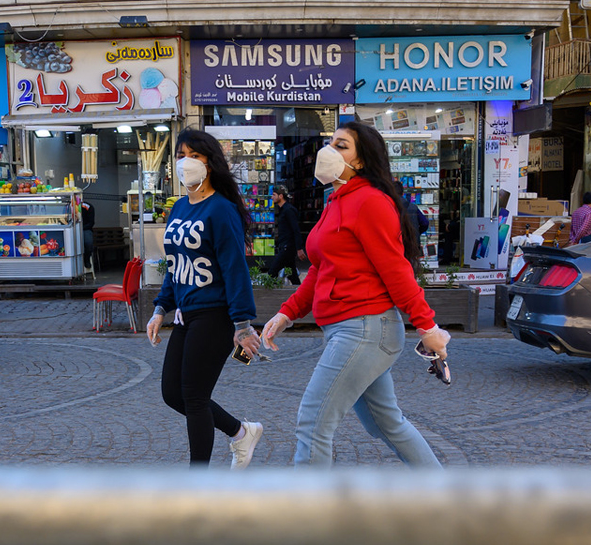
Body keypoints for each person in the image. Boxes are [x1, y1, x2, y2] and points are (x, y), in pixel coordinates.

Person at [260, 120, 450, 469]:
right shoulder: (337, 200)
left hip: (363, 329)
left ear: (361, 161)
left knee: (313, 422)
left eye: (342, 145)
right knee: (386, 424)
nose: (330, 151)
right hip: (351, 328)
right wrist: (287, 313)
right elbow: (321, 268)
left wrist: (427, 327)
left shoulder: (369, 202)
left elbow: (396, 271)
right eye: (331, 143)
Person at [144, 128, 263, 469]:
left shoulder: (221, 210)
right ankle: (241, 432)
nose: (187, 162)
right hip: (185, 313)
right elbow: (175, 265)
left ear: (210, 163)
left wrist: (242, 324)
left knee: (194, 397)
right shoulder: (178, 207)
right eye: (182, 155)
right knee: (173, 394)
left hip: (214, 314)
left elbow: (234, 268)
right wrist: (160, 309)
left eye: (195, 155)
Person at [267, 186, 301, 285]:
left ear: (281, 196)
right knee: (293, 275)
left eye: (274, 195)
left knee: (272, 273)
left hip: (287, 248)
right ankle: (301, 294)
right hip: (285, 246)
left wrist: (299, 248)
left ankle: (265, 296)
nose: (272, 197)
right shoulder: (282, 210)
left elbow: (295, 229)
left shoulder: (289, 210)